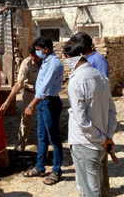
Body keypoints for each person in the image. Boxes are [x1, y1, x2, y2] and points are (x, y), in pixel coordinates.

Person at [63, 39, 117, 196]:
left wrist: (102, 138)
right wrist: (107, 137)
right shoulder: (100, 77)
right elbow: (112, 111)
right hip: (100, 144)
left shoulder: (76, 81)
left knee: (89, 191)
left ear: (71, 58)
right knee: (102, 188)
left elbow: (82, 121)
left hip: (85, 144)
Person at [23, 37, 64, 185]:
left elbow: (44, 89)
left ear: (46, 50)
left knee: (54, 138)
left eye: (38, 50)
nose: (37, 53)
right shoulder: (45, 62)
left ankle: (57, 170)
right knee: (42, 137)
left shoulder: (54, 64)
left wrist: (31, 105)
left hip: (49, 102)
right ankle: (39, 167)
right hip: (43, 103)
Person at [0, 46, 41, 152]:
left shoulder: (46, 61)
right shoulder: (26, 64)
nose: (34, 59)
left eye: (36, 56)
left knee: (43, 121)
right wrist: (7, 102)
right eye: (32, 56)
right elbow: (19, 84)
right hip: (30, 94)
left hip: (43, 95)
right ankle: (20, 145)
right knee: (26, 119)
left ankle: (42, 146)